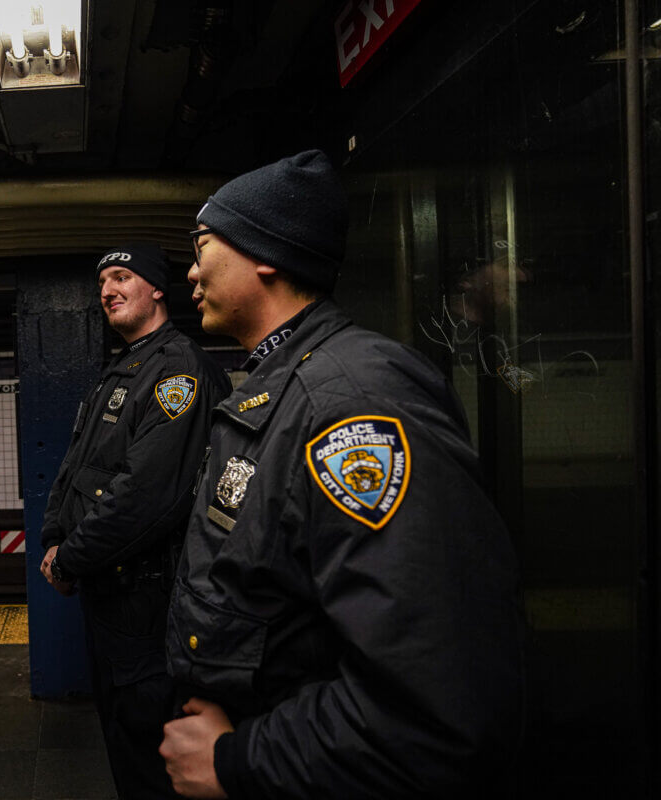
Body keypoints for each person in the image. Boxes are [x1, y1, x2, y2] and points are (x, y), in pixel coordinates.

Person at [159, 151, 525, 798]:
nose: (190, 271)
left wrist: (238, 759)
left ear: (263, 253)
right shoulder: (288, 385)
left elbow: (430, 701)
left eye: (204, 246)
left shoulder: (352, 402)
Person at [40, 243, 231, 799]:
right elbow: (75, 467)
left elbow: (147, 496)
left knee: (152, 757)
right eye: (102, 282)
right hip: (111, 598)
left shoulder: (177, 371)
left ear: (156, 289)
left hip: (148, 603)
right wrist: (55, 534)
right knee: (123, 740)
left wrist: (71, 556)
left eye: (122, 277)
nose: (107, 290)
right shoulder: (122, 369)